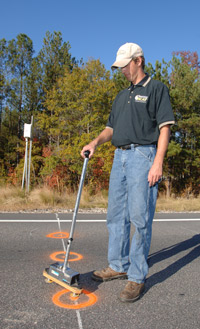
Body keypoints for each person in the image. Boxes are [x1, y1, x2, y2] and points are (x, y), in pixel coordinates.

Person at [81, 42, 175, 303]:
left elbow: (165, 128)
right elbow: (110, 128)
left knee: (140, 218)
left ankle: (136, 276)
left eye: (125, 65)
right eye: (119, 66)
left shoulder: (157, 89)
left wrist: (158, 162)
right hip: (119, 156)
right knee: (116, 215)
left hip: (143, 156)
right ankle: (118, 264)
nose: (122, 70)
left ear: (139, 60)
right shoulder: (122, 96)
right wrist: (94, 143)